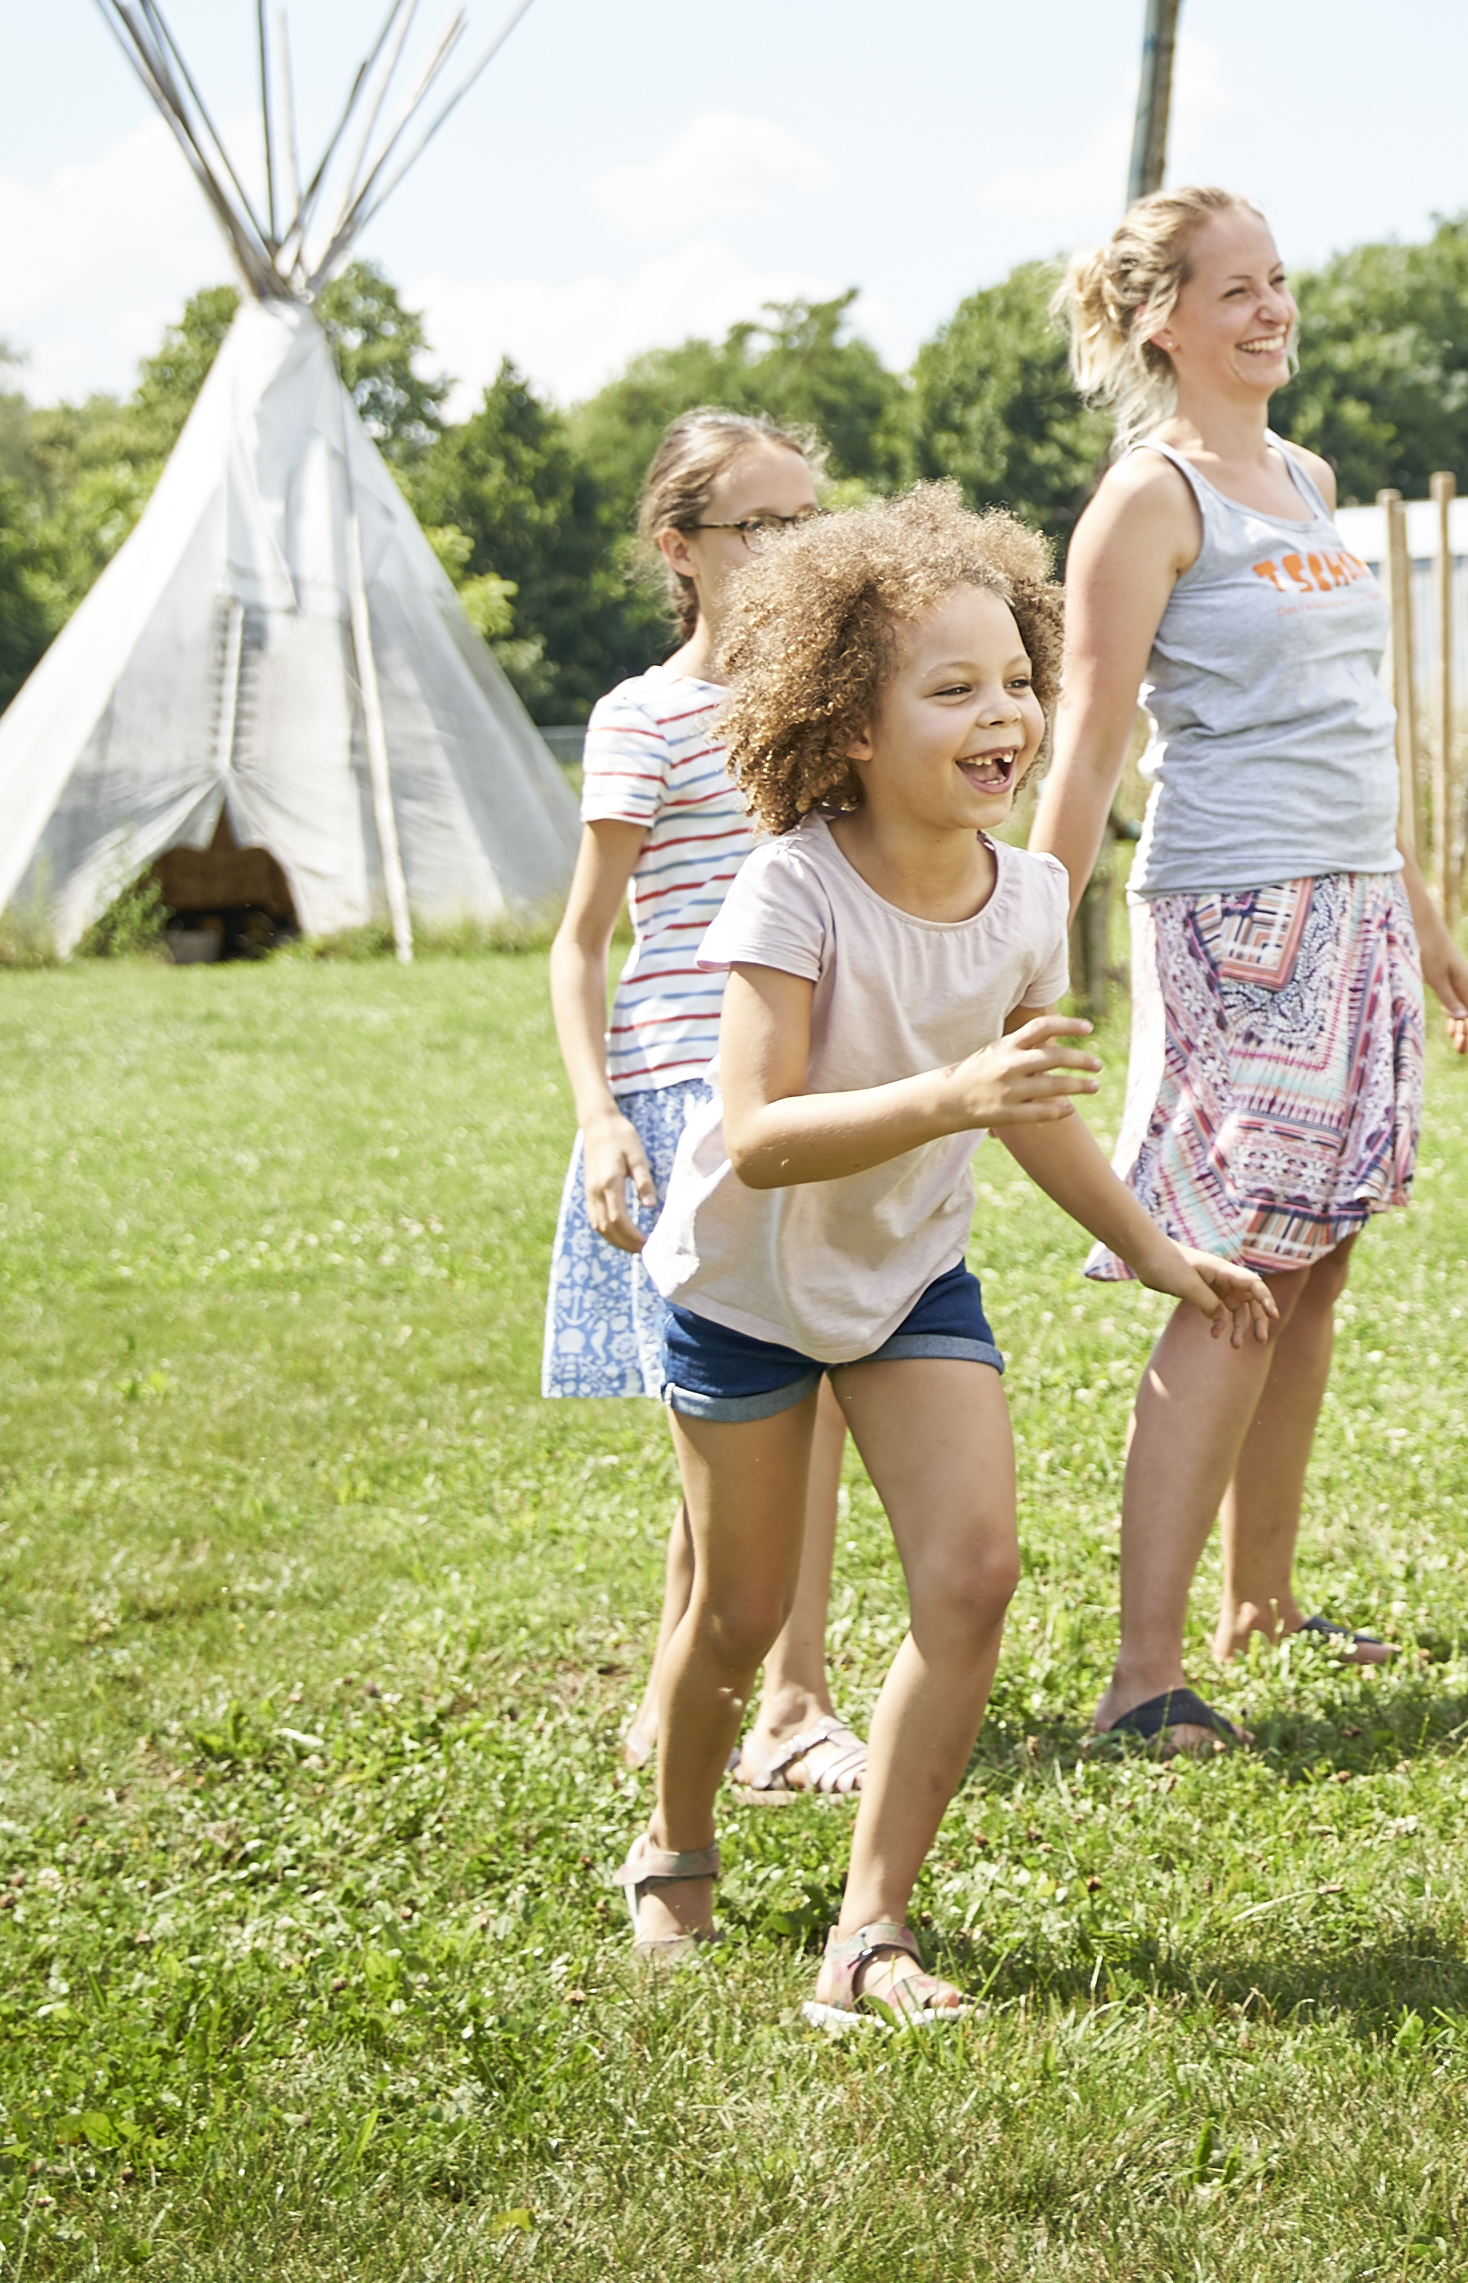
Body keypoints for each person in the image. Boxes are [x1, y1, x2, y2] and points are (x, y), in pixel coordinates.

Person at [622, 492, 1283, 2026]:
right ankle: (675, 1841)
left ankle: (870, 1929)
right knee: (733, 1618)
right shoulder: (791, 884)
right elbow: (760, 1131)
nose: (1005, 717)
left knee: (974, 1576)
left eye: (1016, 682)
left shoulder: (1034, 895)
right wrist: (954, 1096)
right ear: (848, 725)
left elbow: (1034, 1119)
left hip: (909, 1279)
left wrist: (1162, 1252)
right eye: (953, 689)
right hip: (746, 1291)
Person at [1033, 186, 1468, 1759]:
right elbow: (1087, 741)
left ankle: (1261, 1606)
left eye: (1281, 283)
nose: (1271, 310)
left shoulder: (1302, 476)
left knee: (1319, 1260)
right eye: (1237, 289)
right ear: (1163, 320)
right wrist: (1037, 938)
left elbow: (1347, 725)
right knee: (1231, 1271)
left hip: (1353, 903)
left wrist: (1412, 908)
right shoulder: (1146, 503)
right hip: (1234, 915)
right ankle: (1141, 1676)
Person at [545, 406, 862, 1924]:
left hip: (813, 1086)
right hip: (685, 1093)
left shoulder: (832, 707)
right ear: (681, 549)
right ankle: (753, 1709)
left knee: (784, 1416)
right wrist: (602, 1114)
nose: (796, 549)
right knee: (727, 1431)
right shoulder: (642, 718)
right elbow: (583, 940)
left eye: (813, 518)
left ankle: (744, 1703)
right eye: (761, 526)